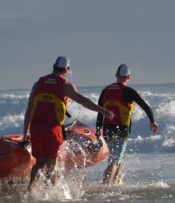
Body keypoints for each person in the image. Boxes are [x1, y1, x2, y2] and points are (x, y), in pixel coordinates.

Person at [23, 56, 114, 193]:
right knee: (51, 162)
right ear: (67, 69)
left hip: (36, 127)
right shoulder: (65, 85)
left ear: (53, 66)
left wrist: (25, 133)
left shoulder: (38, 83)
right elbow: (83, 101)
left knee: (40, 162)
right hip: (52, 128)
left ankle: (30, 189)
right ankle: (50, 191)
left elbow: (29, 110)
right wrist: (102, 110)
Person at [96, 64, 159, 185]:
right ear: (128, 77)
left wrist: (98, 132)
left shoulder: (105, 90)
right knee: (114, 161)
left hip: (107, 129)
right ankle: (105, 188)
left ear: (116, 76)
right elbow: (146, 107)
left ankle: (116, 185)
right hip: (121, 130)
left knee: (117, 159)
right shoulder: (129, 91)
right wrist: (152, 121)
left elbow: (100, 113)